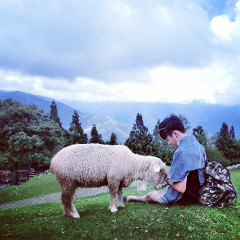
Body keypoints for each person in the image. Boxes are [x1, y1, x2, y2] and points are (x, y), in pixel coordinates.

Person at [123, 114, 206, 205]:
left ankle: (133, 198)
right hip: (199, 190)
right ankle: (132, 198)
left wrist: (168, 180)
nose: (169, 143)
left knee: (150, 195)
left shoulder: (181, 152)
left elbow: (181, 188)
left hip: (186, 197)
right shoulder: (196, 144)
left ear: (175, 134)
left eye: (167, 139)